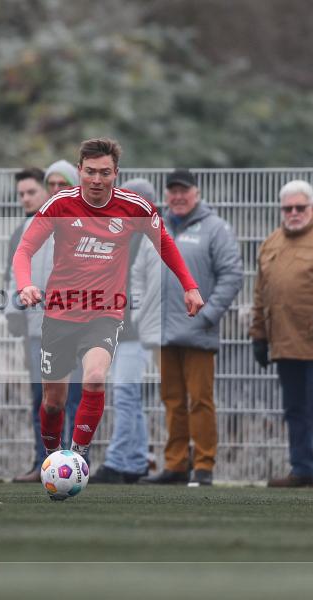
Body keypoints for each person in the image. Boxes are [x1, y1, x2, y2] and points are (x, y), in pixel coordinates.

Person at [12, 139, 203, 496]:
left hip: (105, 311)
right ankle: (53, 459)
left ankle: (78, 459)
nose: (97, 179)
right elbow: (25, 249)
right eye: (90, 172)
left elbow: (166, 245)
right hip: (59, 314)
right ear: (80, 171)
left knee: (96, 377)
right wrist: (25, 285)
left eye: (104, 172)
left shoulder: (133, 207)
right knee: (52, 402)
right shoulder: (60, 205)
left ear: (116, 174)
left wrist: (189, 286)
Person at [144, 169, 243, 487]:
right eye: (172, 191)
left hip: (198, 330)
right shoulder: (157, 227)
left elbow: (232, 275)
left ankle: (203, 465)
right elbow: (138, 269)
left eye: (184, 190)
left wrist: (208, 315)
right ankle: (175, 465)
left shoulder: (216, 229)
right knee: (171, 399)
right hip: (162, 331)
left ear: (196, 193)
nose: (178, 196)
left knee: (200, 400)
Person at [250, 180, 313, 488]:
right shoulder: (271, 242)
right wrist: (258, 335)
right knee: (294, 409)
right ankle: (302, 468)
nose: (293, 213)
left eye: (300, 207)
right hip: (283, 339)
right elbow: (260, 293)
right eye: (287, 208)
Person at [5, 166, 82, 483]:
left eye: (61, 183)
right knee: (43, 398)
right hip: (38, 329)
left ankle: (77, 463)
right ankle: (45, 463)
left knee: (74, 397)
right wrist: (14, 309)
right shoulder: (30, 227)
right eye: (50, 184)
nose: (55, 188)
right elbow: (16, 269)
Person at [89, 179, 160, 484]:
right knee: (128, 398)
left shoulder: (148, 239)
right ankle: (137, 461)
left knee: (125, 394)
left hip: (134, 331)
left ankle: (117, 462)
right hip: (117, 327)